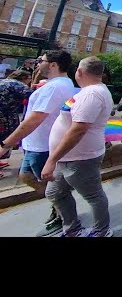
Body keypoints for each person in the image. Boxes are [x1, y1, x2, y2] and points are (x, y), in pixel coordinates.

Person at [0, 50, 76, 236]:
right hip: (35, 143)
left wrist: (6, 144)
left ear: (53, 65)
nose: (37, 63)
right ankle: (58, 206)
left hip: (43, 144)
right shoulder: (57, 84)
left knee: (51, 185)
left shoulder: (54, 87)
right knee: (26, 176)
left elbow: (34, 119)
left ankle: (66, 217)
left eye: (40, 61)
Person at [41, 56, 114, 237]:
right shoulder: (87, 91)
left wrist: (51, 160)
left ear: (79, 72)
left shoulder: (92, 94)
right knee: (55, 192)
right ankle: (73, 230)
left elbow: (78, 130)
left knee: (93, 196)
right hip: (67, 157)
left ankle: (101, 231)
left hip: (81, 157)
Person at [0, 70, 33, 174]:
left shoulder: (4, 81)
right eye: (29, 79)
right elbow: (33, 96)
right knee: (6, 139)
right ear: (23, 78)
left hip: (4, 114)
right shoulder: (18, 85)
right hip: (4, 116)